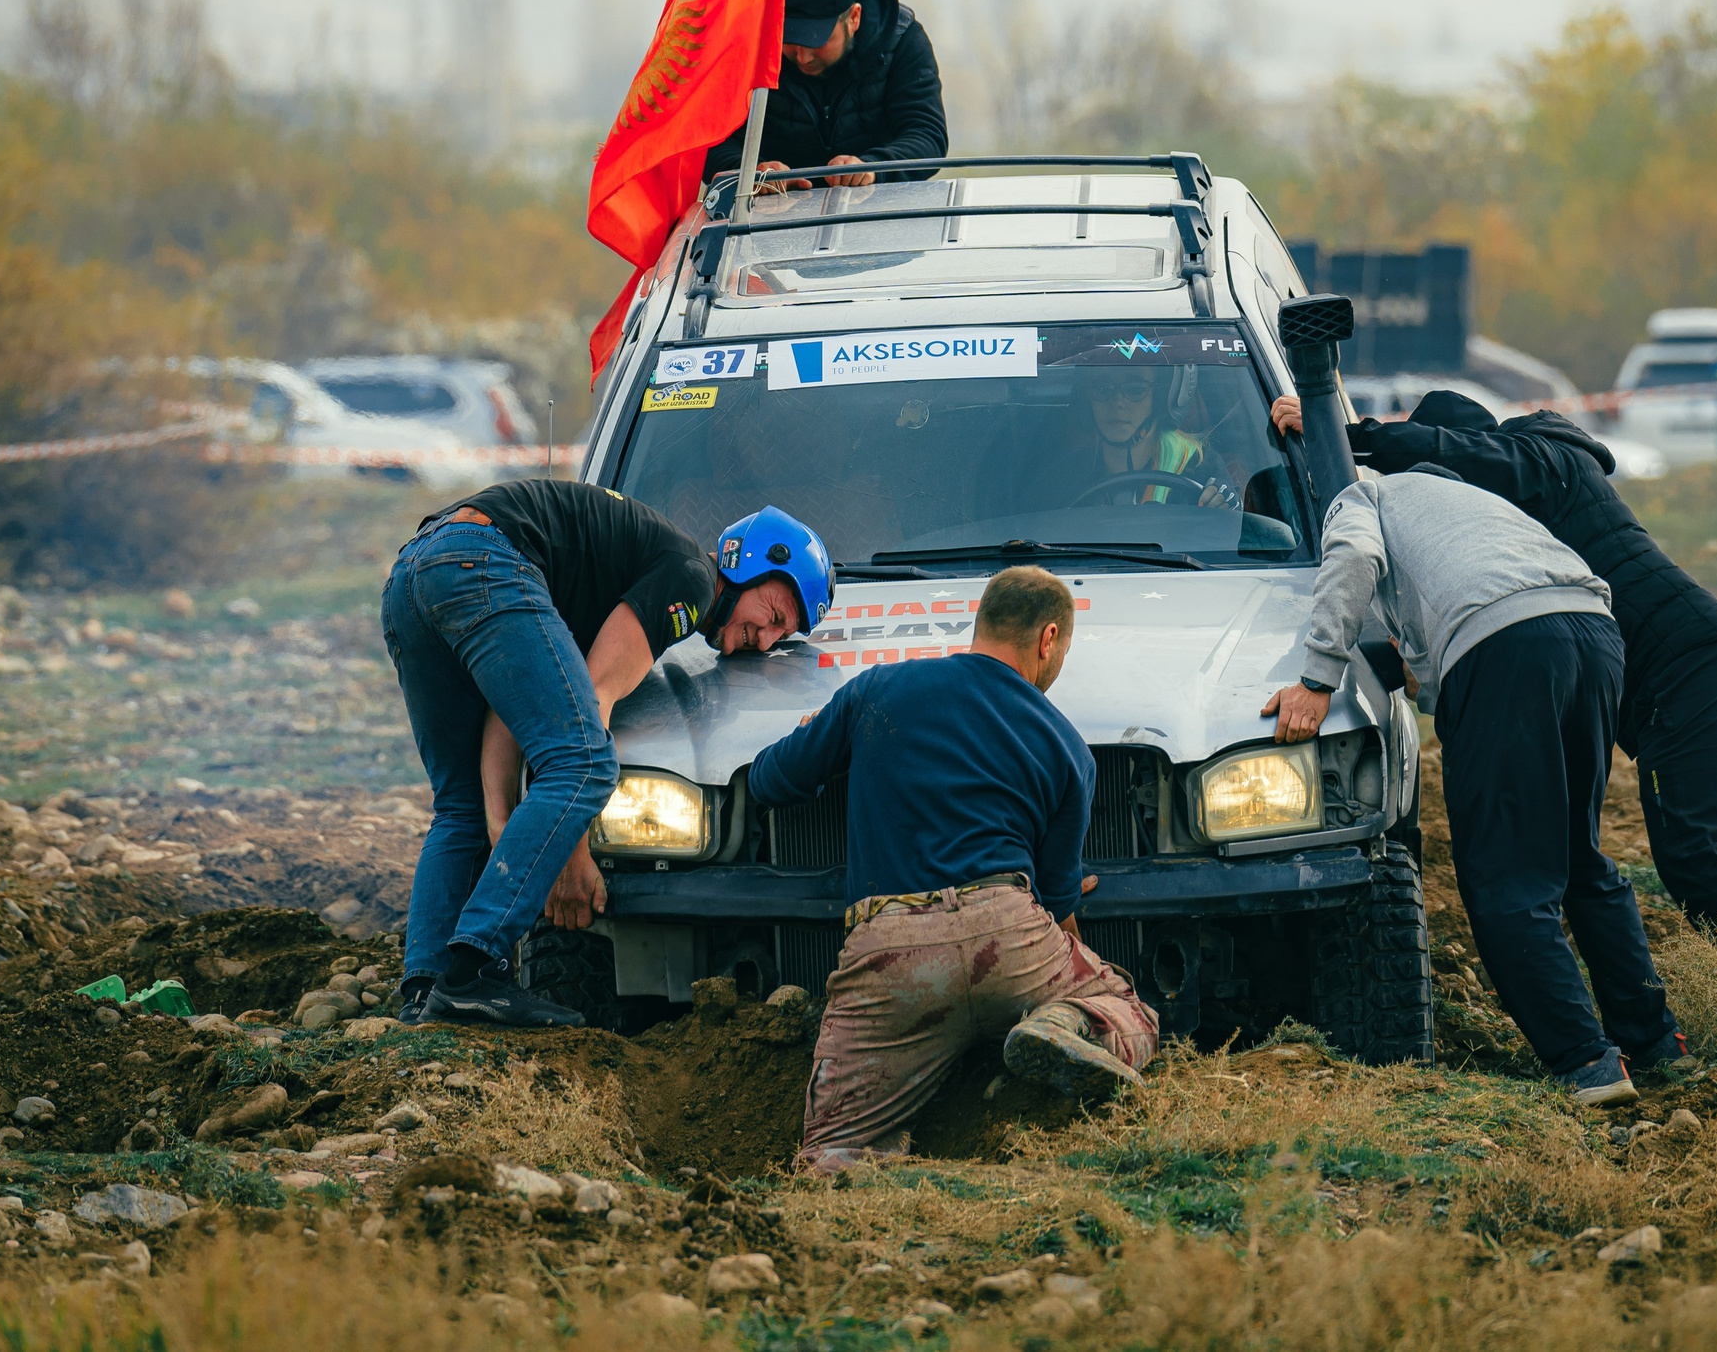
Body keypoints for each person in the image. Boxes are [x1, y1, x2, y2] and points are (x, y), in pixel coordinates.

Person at [1273, 389, 1717, 972]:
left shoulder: (1543, 460)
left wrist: (1347, 436)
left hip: (1683, 679)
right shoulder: (1548, 482)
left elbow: (1456, 453)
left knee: (1697, 857)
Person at [1263, 467, 1678, 1107]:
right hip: (1593, 631)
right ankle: (1655, 1045)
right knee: (1579, 859)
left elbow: (1353, 557)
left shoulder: (1355, 497)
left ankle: (1587, 1064)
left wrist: (1318, 679)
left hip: (1508, 645)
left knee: (1507, 878)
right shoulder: (1450, 499)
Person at [747, 565, 1156, 1172]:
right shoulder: (1066, 744)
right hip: (1010, 934)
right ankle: (1065, 1025)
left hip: (892, 948)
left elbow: (769, 782)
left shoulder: (875, 691)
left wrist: (813, 734)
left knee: (832, 1151)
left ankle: (848, 1181)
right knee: (1127, 1007)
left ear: (982, 624)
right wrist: (1067, 973)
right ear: (1047, 639)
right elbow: (1059, 906)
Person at [384, 482, 832, 1026]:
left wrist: (501, 821)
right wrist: (570, 856)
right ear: (751, 564)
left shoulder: (616, 577)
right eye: (777, 615)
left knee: (459, 805)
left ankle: (424, 996)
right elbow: (590, 711)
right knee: (588, 763)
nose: (765, 641)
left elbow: (510, 709)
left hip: (418, 570)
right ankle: (473, 970)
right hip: (482, 561)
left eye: (782, 638)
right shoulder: (692, 578)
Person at [705, 0, 947, 192]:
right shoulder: (747, 46)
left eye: (816, 41)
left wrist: (872, 167)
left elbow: (927, 134)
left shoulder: (903, 41)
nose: (803, 57)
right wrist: (751, 172)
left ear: (854, 17)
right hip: (767, 214)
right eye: (788, 41)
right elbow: (709, 142)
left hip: (878, 210)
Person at [1026, 367, 1241, 510]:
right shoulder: (1063, 477)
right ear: (1087, 400)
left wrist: (1224, 506)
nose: (1118, 402)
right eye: (1102, 389)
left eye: (1136, 389)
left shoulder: (1199, 465)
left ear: (1159, 398)